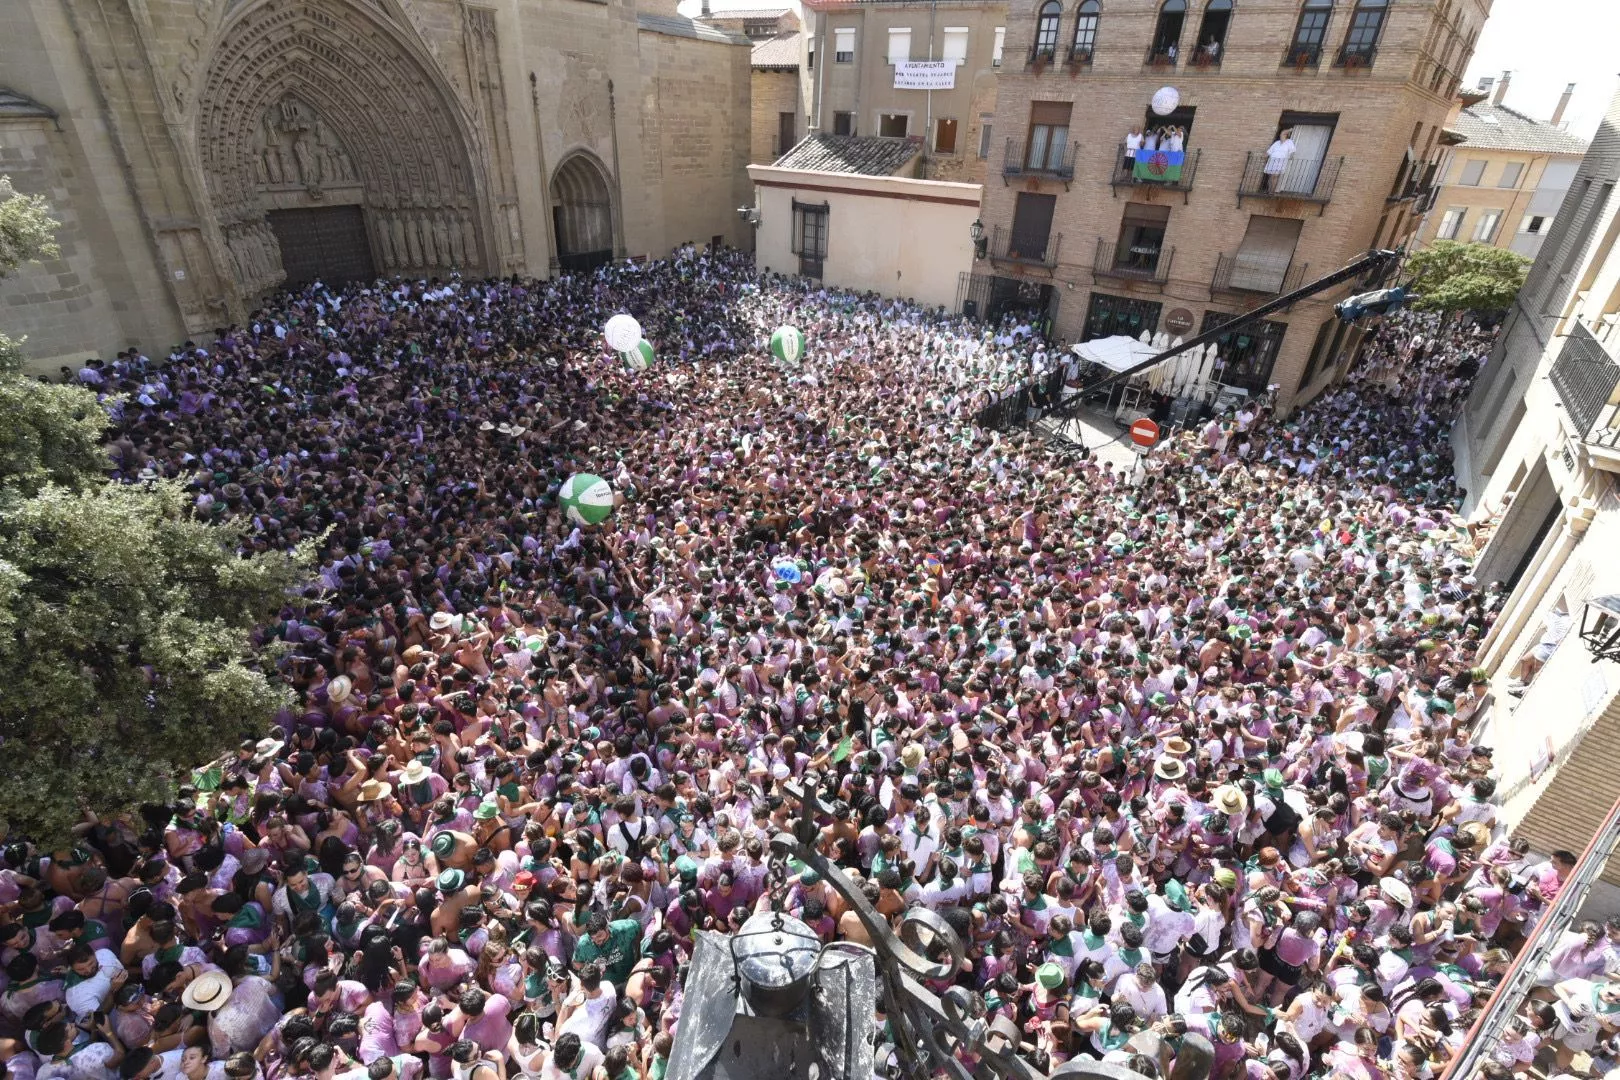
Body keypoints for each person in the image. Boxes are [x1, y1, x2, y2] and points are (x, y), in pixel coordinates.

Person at [1262, 127, 1296, 192]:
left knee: (1275, 176)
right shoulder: (1277, 142)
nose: (1281, 135)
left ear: (1286, 135)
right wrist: (1265, 156)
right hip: (1272, 161)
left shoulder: (1289, 142)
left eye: (1283, 134)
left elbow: (1292, 150)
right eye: (1281, 134)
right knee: (1271, 176)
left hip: (1280, 162)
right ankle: (1269, 190)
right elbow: (1269, 151)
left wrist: (1291, 156)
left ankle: (1272, 191)